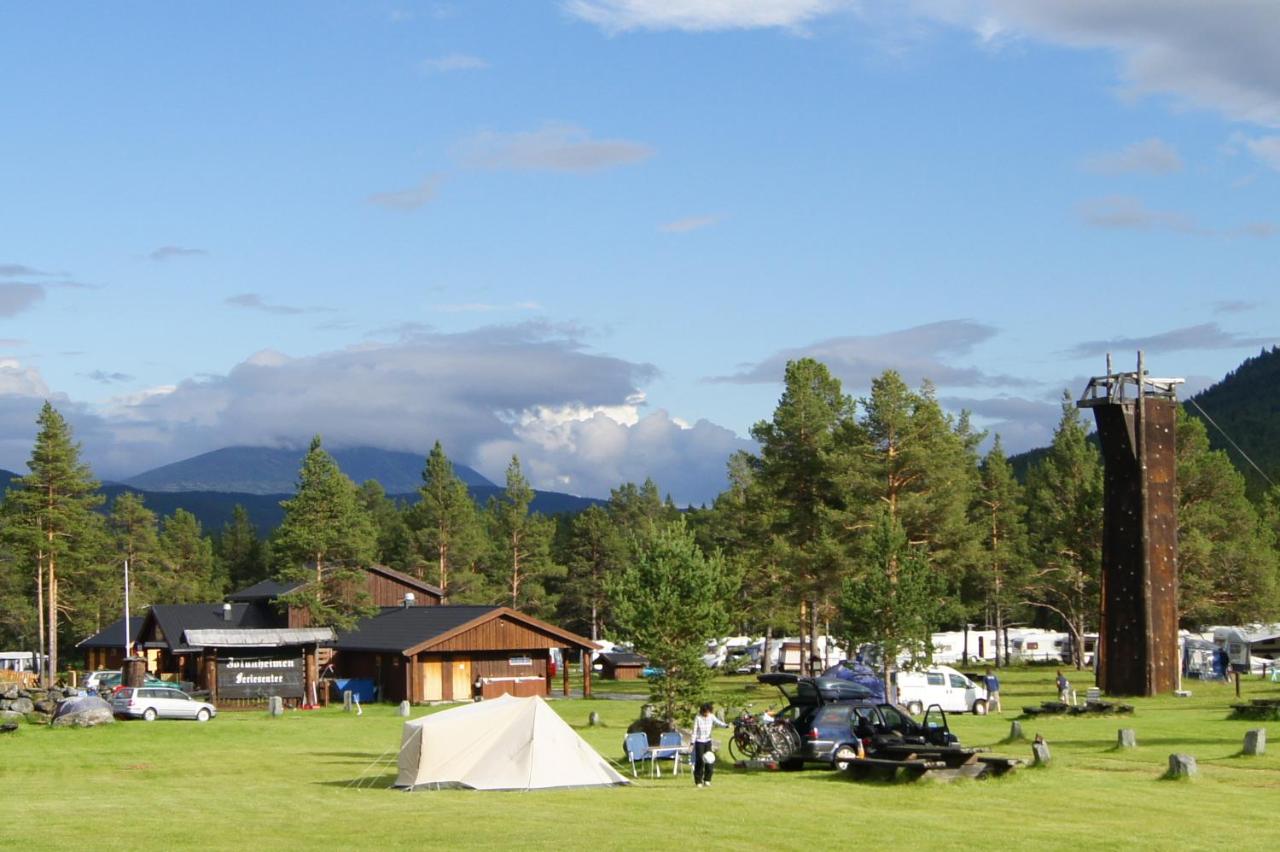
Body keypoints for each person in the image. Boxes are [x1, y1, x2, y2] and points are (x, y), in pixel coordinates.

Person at [692, 702, 728, 788]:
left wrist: (726, 726)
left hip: (708, 741)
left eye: (708, 712)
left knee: (710, 760)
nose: (707, 714)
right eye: (705, 712)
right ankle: (698, 781)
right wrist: (692, 742)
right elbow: (694, 730)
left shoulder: (711, 716)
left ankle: (707, 780)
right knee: (700, 761)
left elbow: (718, 722)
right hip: (699, 741)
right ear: (702, 711)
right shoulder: (697, 718)